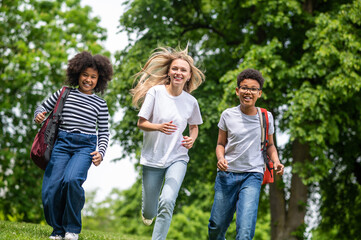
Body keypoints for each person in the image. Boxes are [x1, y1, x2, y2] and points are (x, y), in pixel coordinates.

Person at [33, 51, 113, 240]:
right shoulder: (64, 93)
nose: (88, 80)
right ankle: (58, 230)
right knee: (51, 188)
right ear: (77, 74)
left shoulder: (100, 104)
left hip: (85, 147)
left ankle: (72, 229)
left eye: (93, 77)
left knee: (71, 181)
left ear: (99, 79)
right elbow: (42, 107)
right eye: (85, 75)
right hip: (62, 143)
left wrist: (100, 152)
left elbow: (103, 132)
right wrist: (38, 115)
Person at [131, 46, 205, 240]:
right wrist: (159, 127)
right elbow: (141, 123)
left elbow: (194, 126)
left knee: (168, 200)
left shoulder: (191, 102)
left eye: (183, 70)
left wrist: (192, 139)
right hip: (152, 158)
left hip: (178, 157)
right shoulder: (155, 92)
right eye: (175, 69)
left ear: (189, 76)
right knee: (150, 211)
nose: (178, 72)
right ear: (169, 72)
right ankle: (147, 212)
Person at [208, 68, 284, 240]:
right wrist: (221, 158)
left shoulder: (266, 117)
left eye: (253, 89)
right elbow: (220, 143)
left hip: (253, 175)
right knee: (216, 226)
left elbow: (270, 145)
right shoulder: (228, 115)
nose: (248, 92)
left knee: (245, 230)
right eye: (244, 87)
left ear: (259, 93)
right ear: (237, 91)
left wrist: (277, 161)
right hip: (227, 175)